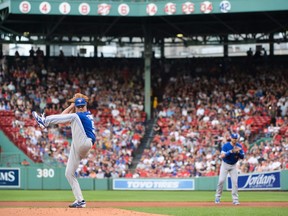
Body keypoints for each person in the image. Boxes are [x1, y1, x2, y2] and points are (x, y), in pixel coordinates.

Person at [32, 97, 96, 208]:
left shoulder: (83, 115)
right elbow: (62, 118)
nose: (81, 108)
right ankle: (80, 201)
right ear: (76, 107)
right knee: (69, 173)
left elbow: (69, 116)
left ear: (86, 106)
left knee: (75, 116)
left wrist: (73, 106)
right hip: (79, 146)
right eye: (78, 107)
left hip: (85, 142)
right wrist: (71, 105)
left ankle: (44, 121)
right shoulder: (77, 119)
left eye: (82, 106)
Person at [215, 133, 245, 205]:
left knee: (235, 183)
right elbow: (222, 156)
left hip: (233, 166)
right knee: (221, 181)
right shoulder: (226, 145)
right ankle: (217, 197)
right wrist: (231, 151)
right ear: (231, 138)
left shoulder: (239, 146)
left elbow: (242, 157)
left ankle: (235, 200)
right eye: (233, 138)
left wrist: (238, 152)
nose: (234, 139)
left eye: (236, 138)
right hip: (225, 165)